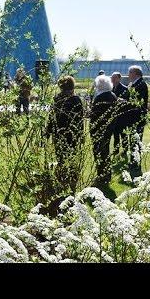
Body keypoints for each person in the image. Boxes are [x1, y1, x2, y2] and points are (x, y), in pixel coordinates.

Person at [46, 76, 84, 206]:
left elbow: (51, 118)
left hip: (59, 134)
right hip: (72, 134)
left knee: (61, 158)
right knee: (72, 158)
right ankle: (72, 183)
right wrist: (81, 134)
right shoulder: (77, 100)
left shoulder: (57, 99)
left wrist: (47, 133)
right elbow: (80, 119)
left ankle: (62, 181)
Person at [90, 75, 119, 188]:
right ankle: (106, 175)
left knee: (100, 153)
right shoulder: (112, 95)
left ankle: (102, 175)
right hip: (108, 129)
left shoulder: (100, 97)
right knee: (105, 152)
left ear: (100, 85)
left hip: (99, 130)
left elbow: (94, 116)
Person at [126, 65, 149, 177]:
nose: (128, 74)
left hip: (137, 118)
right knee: (133, 141)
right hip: (133, 118)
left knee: (136, 142)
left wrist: (125, 102)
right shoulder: (135, 84)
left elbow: (136, 102)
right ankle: (133, 162)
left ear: (136, 73)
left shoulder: (141, 84)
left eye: (130, 72)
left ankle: (136, 164)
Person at [110, 71, 130, 156]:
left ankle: (125, 150)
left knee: (123, 134)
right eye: (112, 77)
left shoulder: (125, 88)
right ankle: (116, 150)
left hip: (123, 116)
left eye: (114, 78)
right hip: (114, 116)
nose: (112, 79)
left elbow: (127, 101)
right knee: (115, 135)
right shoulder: (110, 88)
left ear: (119, 78)